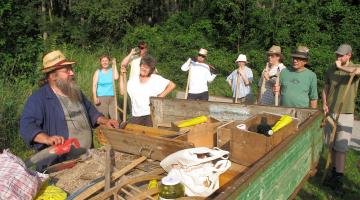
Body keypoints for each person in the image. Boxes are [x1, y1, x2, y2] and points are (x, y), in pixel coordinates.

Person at [20, 50, 119, 170]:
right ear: (53, 75)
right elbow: (27, 126)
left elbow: (91, 111)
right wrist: (47, 138)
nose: (72, 72)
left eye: (71, 68)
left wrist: (105, 121)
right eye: (66, 70)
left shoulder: (75, 91)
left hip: (86, 159)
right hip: (61, 166)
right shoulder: (39, 98)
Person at [322, 44, 360, 194]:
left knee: (341, 148)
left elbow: (356, 72)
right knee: (330, 144)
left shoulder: (355, 67)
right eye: (337, 55)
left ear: (349, 55)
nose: (338, 57)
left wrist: (342, 68)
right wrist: (324, 103)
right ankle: (332, 172)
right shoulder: (331, 69)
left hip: (345, 113)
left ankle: (338, 179)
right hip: (330, 111)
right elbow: (325, 87)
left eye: (342, 55)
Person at [120, 55, 176, 127]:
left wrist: (160, 96)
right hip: (136, 115)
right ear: (140, 66)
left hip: (150, 115)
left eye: (147, 68)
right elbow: (122, 92)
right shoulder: (133, 80)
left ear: (151, 70)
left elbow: (172, 85)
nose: (144, 69)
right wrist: (121, 76)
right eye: (143, 66)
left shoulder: (156, 79)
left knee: (149, 135)